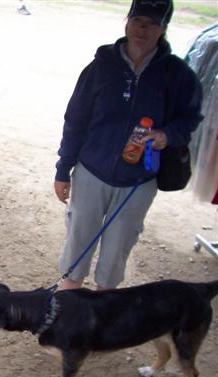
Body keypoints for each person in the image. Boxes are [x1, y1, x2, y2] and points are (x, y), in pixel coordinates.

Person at [53, 0, 202, 291]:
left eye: (152, 24)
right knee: (75, 253)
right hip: (91, 172)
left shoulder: (178, 75)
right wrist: (63, 169)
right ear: (127, 21)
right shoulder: (100, 67)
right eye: (137, 21)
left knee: (114, 260)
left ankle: (103, 314)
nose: (142, 30)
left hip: (138, 181)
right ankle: (66, 310)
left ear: (163, 29)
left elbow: (190, 119)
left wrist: (167, 135)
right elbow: (75, 121)